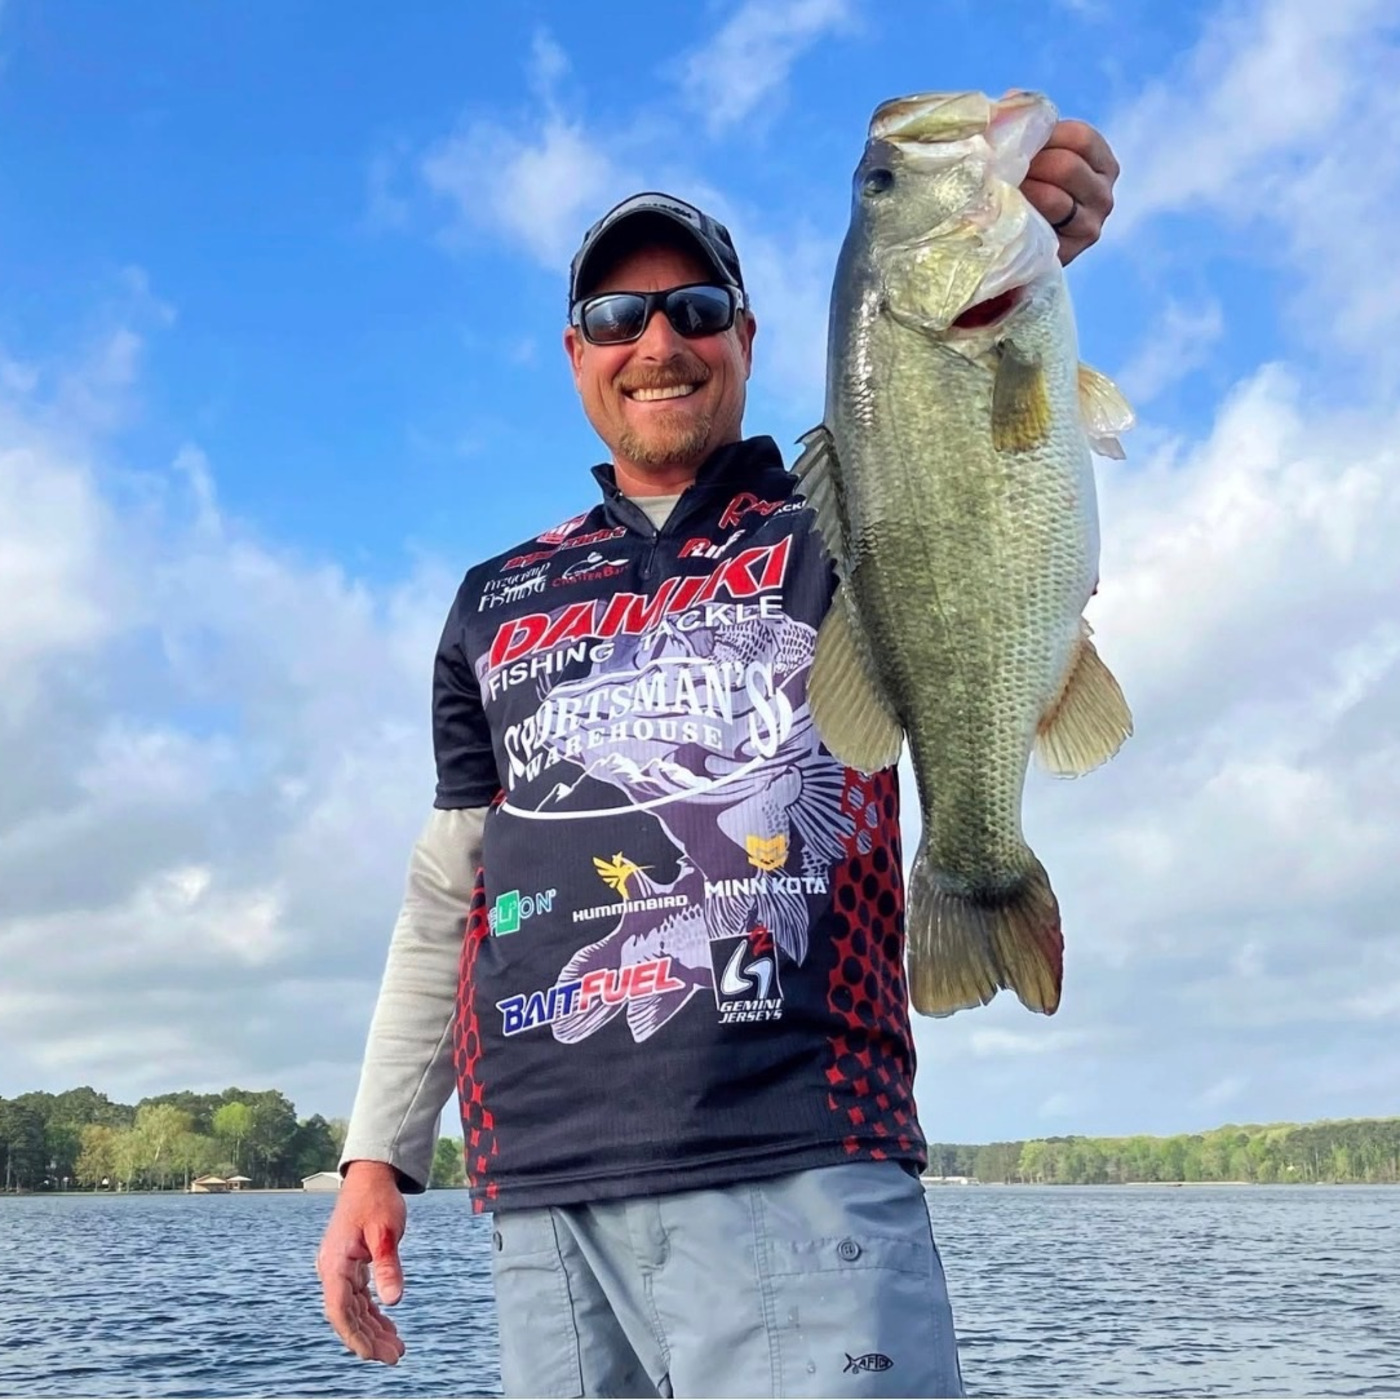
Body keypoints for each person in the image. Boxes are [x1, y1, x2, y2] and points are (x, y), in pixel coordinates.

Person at [316, 116, 1120, 1399]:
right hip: (541, 1193)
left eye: (692, 308)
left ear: (744, 336)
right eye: (615, 315)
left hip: (801, 1150)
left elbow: (966, 457)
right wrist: (377, 1154)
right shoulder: (490, 599)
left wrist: (1029, 249)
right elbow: (445, 898)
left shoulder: (836, 518)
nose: (656, 342)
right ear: (574, 352)